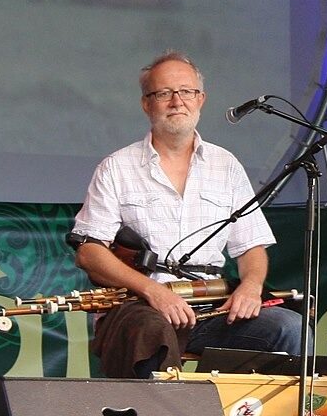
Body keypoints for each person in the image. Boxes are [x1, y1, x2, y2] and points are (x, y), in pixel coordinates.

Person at [72, 51, 305, 379]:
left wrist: (251, 286)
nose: (177, 101)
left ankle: (246, 414)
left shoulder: (226, 165)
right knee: (150, 330)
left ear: (201, 100)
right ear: (146, 104)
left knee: (289, 328)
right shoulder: (116, 167)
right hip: (141, 306)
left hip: (213, 308)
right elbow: (90, 252)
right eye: (163, 93)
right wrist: (152, 291)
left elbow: (251, 246)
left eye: (186, 91)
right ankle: (163, 414)